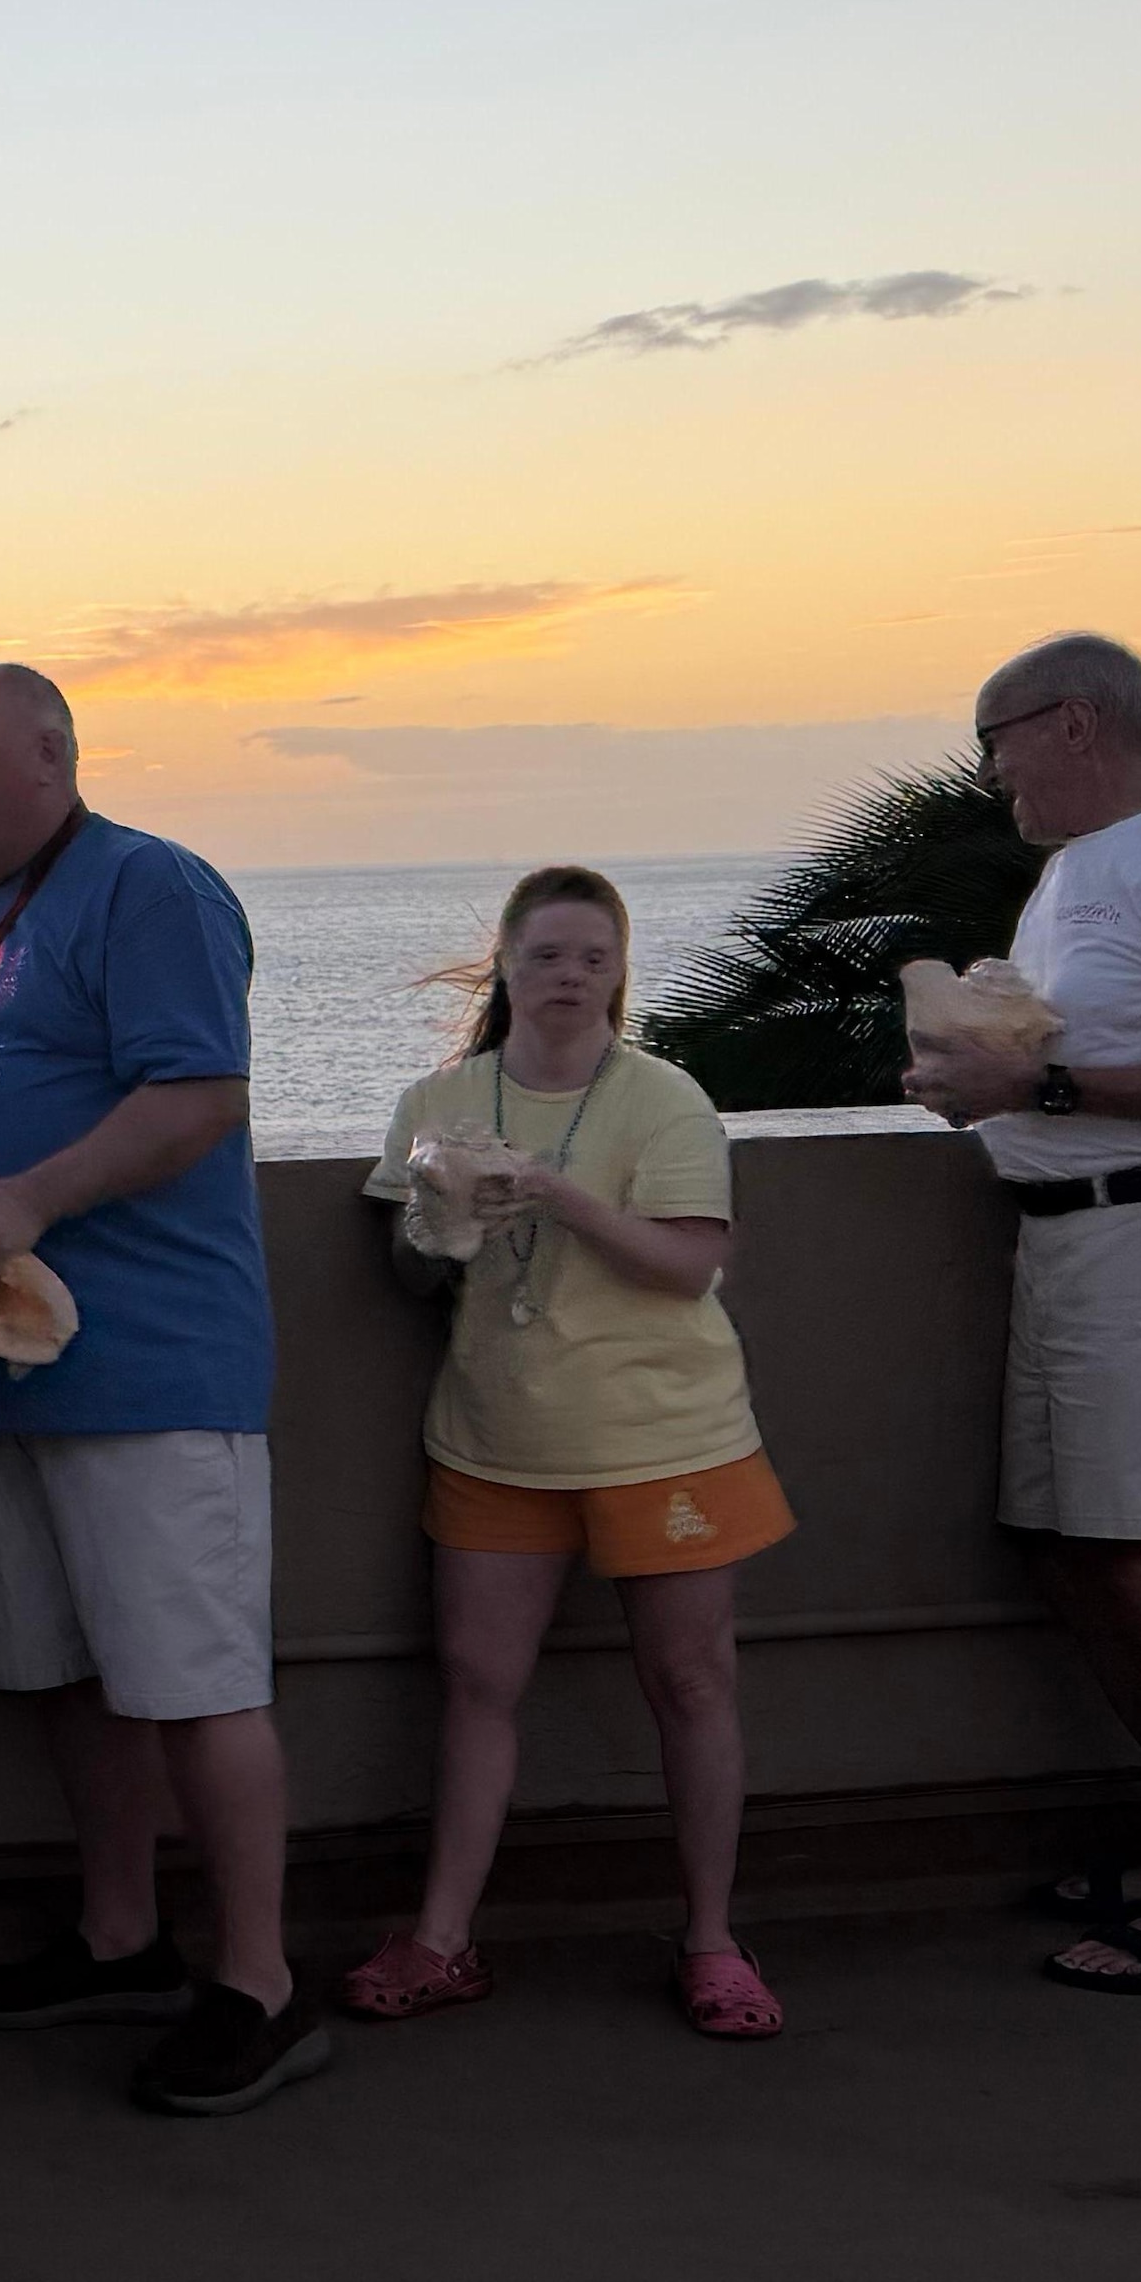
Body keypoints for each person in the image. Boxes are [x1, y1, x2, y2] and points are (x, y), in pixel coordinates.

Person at [0, 664, 316, 2117]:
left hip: (149, 1364)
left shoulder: (152, 889)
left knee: (196, 1684)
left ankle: (261, 1983)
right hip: (1, 1366)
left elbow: (198, 1093)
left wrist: (29, 1196)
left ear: (50, 752)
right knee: (68, 1678)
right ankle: (121, 1934)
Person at [898, 634, 1141, 1994]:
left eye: (994, 740)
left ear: (1072, 724)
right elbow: (1059, 1054)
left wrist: (1039, 1097)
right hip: (1074, 1245)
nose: (990, 770)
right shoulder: (1069, 879)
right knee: (1075, 1553)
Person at [348, 868, 794, 2038]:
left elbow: (691, 1260)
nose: (567, 977)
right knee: (478, 1685)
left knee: (690, 1684)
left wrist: (551, 1196)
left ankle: (710, 1940)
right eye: (545, 955)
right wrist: (443, 1223)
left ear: (617, 972)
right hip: (496, 1439)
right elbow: (401, 1270)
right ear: (502, 963)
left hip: (665, 1437)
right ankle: (441, 1938)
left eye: (592, 958)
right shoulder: (438, 1099)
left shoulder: (662, 1100)